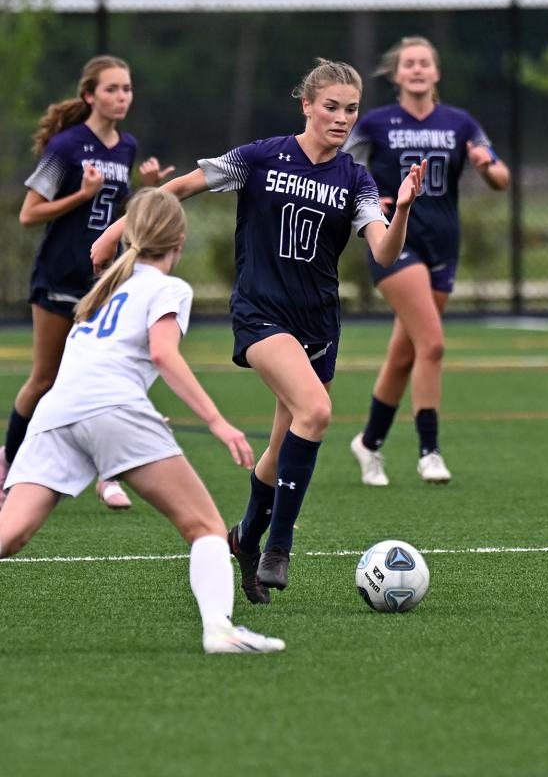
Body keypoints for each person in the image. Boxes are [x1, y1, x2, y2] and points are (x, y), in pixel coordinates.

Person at [90, 58, 426, 604]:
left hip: (318, 325)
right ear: (307, 106)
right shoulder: (262, 157)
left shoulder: (356, 179)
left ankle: (246, 537)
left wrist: (404, 208)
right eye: (332, 107)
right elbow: (180, 187)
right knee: (316, 412)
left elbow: (384, 249)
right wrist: (117, 233)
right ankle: (279, 545)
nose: (341, 118)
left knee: (279, 448)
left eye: (351, 110)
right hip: (260, 315)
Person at [0, 188, 285, 654]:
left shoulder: (104, 290)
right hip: (110, 410)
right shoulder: (169, 288)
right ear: (180, 241)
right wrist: (217, 422)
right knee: (206, 528)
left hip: (56, 413)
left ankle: (223, 631)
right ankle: (221, 631)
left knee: (8, 535)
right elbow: (161, 353)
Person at [0, 55, 175, 511]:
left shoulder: (127, 146)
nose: (122, 97)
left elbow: (120, 216)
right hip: (59, 278)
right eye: (112, 89)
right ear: (89, 95)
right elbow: (28, 213)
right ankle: (11, 467)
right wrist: (81, 194)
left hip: (102, 283)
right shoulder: (66, 146)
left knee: (107, 378)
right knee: (45, 378)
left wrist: (148, 191)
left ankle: (108, 476)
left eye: (127, 88)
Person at [346, 36, 510, 487]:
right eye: (409, 63)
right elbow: (340, 168)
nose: (417, 69)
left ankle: (369, 443)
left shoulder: (460, 123)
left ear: (436, 73)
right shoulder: (376, 123)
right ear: (396, 74)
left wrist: (484, 165)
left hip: (443, 247)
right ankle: (429, 451)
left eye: (425, 63)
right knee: (432, 345)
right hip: (394, 243)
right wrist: (367, 195)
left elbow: (501, 176)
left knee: (405, 355)